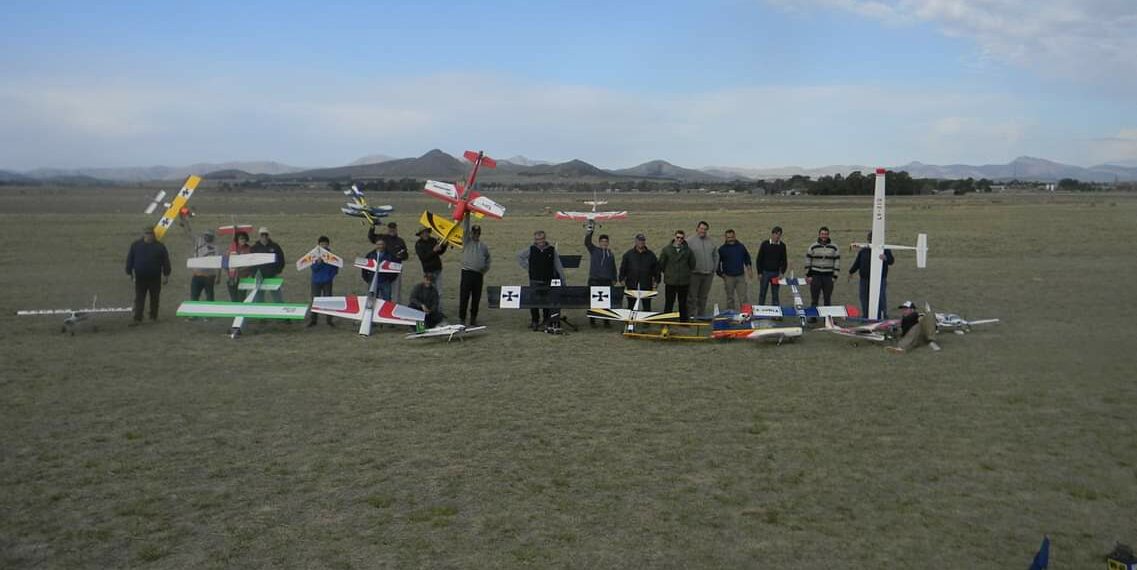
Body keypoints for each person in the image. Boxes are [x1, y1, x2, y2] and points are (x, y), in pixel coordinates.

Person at [517, 230, 566, 330]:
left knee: (546, 301)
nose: (540, 241)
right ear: (535, 240)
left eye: (542, 239)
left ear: (545, 238)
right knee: (534, 302)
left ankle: (546, 320)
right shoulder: (531, 249)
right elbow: (519, 257)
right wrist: (529, 268)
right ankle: (535, 321)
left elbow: (558, 265)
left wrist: (562, 279)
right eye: (537, 239)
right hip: (535, 280)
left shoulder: (552, 250)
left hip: (548, 280)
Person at [124, 227, 171, 325]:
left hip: (155, 277)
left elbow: (165, 261)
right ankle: (138, 317)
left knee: (154, 298)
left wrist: (166, 275)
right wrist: (129, 272)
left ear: (154, 235)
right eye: (147, 234)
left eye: (151, 234)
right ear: (143, 234)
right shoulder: (136, 245)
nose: (149, 236)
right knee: (139, 297)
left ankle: (153, 316)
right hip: (140, 277)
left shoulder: (160, 247)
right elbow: (130, 259)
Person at [848, 232, 895, 320]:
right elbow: (858, 262)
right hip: (864, 279)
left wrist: (886, 258)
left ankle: (882, 315)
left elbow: (891, 261)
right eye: (870, 238)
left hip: (879, 279)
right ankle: (866, 315)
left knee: (880, 297)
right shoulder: (864, 250)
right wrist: (851, 272)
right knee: (864, 297)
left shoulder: (885, 250)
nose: (871, 240)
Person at [657, 229, 695, 321]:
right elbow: (661, 264)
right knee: (669, 302)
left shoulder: (688, 251)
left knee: (683, 303)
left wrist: (685, 273)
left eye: (681, 238)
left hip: (683, 281)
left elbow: (692, 264)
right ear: (674, 237)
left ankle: (683, 320)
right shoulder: (666, 250)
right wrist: (668, 273)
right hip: (671, 281)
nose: (679, 240)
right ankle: (666, 320)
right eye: (678, 237)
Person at [584, 225, 617, 327]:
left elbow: (613, 267)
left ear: (608, 243)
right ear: (599, 242)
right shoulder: (594, 250)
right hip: (595, 280)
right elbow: (587, 242)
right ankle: (592, 321)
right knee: (593, 302)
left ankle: (606, 321)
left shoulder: (610, 254)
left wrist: (614, 278)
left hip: (607, 281)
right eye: (602, 242)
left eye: (606, 242)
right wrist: (590, 231)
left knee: (606, 303)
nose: (604, 243)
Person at [458, 224, 491, 326]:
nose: (476, 235)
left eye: (478, 233)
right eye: (474, 233)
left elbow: (488, 259)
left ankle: (473, 319)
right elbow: (465, 230)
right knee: (464, 297)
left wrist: (484, 270)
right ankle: (462, 319)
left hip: (478, 275)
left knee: (476, 298)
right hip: (467, 273)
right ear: (471, 233)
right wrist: (467, 214)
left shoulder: (483, 246)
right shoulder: (466, 242)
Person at [369, 221, 409, 302]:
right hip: (383, 271)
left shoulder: (400, 241)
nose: (392, 230)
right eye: (390, 228)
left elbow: (406, 255)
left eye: (393, 228)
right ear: (388, 229)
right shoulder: (383, 238)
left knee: (396, 293)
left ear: (396, 229)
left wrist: (402, 255)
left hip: (396, 270)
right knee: (381, 295)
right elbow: (372, 237)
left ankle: (395, 310)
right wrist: (372, 227)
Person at [619, 233, 660, 311]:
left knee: (647, 305)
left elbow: (656, 270)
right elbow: (623, 268)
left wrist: (657, 281)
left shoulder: (651, 255)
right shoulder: (628, 254)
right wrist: (621, 279)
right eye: (639, 241)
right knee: (631, 305)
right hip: (632, 285)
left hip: (646, 285)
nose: (641, 242)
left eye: (642, 241)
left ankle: (646, 322)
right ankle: (630, 322)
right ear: (635, 241)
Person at [687, 221, 719, 318]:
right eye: (701, 228)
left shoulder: (711, 241)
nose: (703, 231)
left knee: (703, 297)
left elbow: (716, 255)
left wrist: (714, 268)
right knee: (692, 296)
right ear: (697, 229)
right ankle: (691, 315)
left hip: (708, 274)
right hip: (694, 274)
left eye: (705, 229)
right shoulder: (689, 241)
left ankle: (701, 315)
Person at [716, 229, 753, 312]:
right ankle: (730, 314)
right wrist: (721, 274)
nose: (730, 239)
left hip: (740, 276)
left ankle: (745, 314)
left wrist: (749, 268)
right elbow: (717, 263)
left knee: (743, 297)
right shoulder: (722, 249)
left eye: (732, 237)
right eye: (728, 237)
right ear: (725, 238)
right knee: (730, 298)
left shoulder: (741, 247)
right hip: (728, 277)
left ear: (735, 236)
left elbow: (747, 257)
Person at [805, 226, 840, 310]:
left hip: (828, 277)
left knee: (827, 299)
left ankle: (827, 317)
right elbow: (808, 260)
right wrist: (808, 275)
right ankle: (813, 316)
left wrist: (835, 276)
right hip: (815, 276)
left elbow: (837, 262)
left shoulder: (834, 247)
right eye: (822, 234)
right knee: (814, 298)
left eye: (826, 234)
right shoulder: (813, 246)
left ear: (828, 235)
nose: (824, 236)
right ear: (819, 235)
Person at [306, 236, 339, 327]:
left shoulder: (331, 255)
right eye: (322, 244)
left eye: (325, 244)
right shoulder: (314, 255)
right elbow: (313, 268)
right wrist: (318, 263)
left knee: (328, 300)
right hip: (316, 281)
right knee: (314, 300)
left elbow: (335, 268)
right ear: (318, 245)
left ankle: (329, 320)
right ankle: (313, 320)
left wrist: (330, 276)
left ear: (328, 245)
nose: (324, 245)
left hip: (327, 281)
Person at [414, 227, 448, 308]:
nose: (426, 234)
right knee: (429, 292)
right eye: (423, 232)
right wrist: (433, 251)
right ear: (420, 234)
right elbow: (423, 257)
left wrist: (444, 245)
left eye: (426, 232)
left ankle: (438, 311)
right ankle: (430, 310)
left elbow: (440, 252)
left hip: (437, 269)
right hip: (428, 271)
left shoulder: (433, 240)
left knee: (439, 292)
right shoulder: (418, 244)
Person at [755, 226, 788, 305]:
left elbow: (784, 261)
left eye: (779, 234)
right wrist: (759, 272)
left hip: (776, 273)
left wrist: (782, 273)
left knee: (775, 294)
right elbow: (759, 259)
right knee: (762, 293)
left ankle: (776, 314)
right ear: (772, 234)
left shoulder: (782, 246)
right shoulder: (765, 244)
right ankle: (760, 311)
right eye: (776, 234)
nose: (777, 236)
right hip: (765, 272)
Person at [190, 230, 220, 302]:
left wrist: (218, 276)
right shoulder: (198, 243)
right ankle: (194, 312)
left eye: (209, 235)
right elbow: (189, 232)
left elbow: (218, 262)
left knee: (210, 298)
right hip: (197, 275)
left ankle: (209, 312)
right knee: (194, 297)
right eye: (205, 235)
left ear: (212, 237)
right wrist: (185, 222)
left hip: (209, 277)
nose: (206, 237)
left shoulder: (216, 248)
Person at [225, 231, 253, 301]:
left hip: (243, 277)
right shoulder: (232, 249)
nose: (242, 240)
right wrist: (228, 275)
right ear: (237, 240)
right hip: (232, 278)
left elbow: (251, 263)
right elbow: (226, 262)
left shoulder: (249, 249)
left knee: (241, 298)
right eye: (240, 238)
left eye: (244, 238)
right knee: (234, 299)